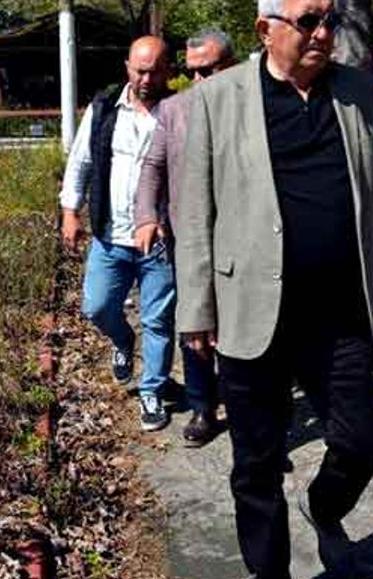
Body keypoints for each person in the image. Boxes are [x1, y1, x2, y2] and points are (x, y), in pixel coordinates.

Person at [174, 0, 373, 579]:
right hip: (252, 314)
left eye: (330, 20)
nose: (323, 33)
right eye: (309, 21)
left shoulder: (358, 91)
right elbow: (194, 211)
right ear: (266, 29)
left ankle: (324, 505)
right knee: (256, 464)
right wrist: (196, 309)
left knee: (362, 436)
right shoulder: (219, 99)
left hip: (341, 312)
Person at [60, 36, 177, 432]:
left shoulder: (178, 111)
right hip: (110, 235)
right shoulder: (104, 108)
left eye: (155, 71)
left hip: (160, 240)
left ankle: (152, 391)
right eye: (140, 70)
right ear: (127, 67)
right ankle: (123, 340)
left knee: (158, 320)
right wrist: (70, 212)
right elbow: (80, 162)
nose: (146, 79)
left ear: (168, 71)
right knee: (96, 307)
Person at [133, 29, 238, 448]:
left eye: (207, 71)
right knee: (193, 322)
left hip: (243, 240)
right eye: (191, 72)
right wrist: (146, 216)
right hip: (188, 239)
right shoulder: (173, 110)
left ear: (230, 66)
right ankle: (202, 408)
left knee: (241, 324)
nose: (197, 81)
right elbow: (152, 168)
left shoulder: (257, 108)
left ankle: (246, 404)